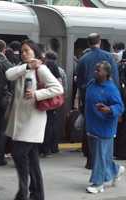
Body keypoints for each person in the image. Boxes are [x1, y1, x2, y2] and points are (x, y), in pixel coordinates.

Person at [5, 40, 63, 200]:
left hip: (33, 119)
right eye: (22, 51)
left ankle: (23, 192)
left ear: (35, 52)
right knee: (32, 159)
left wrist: (38, 94)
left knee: (19, 154)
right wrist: (27, 66)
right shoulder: (22, 68)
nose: (23, 53)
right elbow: (8, 74)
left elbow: (58, 88)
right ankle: (37, 194)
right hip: (21, 118)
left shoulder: (42, 69)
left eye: (27, 51)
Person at [77, 33, 119, 169]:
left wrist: (82, 99)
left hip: (89, 100)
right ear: (99, 42)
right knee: (105, 136)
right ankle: (105, 164)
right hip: (107, 101)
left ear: (88, 43)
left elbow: (80, 82)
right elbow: (115, 80)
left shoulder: (83, 59)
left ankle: (91, 160)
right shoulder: (109, 57)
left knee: (90, 131)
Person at [85, 61, 125, 194]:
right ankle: (116, 170)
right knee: (101, 156)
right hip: (91, 126)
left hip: (104, 127)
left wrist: (109, 109)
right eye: (95, 69)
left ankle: (98, 184)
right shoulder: (91, 83)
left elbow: (120, 106)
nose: (95, 72)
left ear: (106, 73)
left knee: (99, 157)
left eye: (99, 70)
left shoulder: (111, 88)